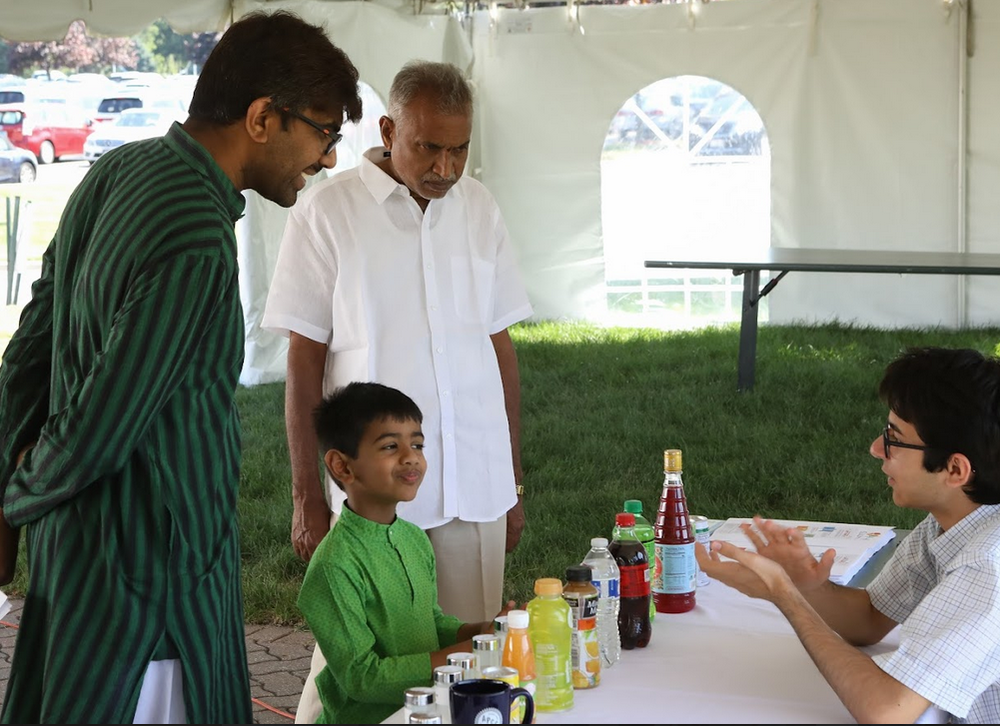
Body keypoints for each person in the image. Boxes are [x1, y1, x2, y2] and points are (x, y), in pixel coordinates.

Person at [0, 10, 362, 724]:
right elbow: (99, 431)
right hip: (148, 592)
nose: (325, 160)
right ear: (263, 117)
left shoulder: (120, 167)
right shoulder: (195, 233)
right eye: (323, 134)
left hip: (77, 566)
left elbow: (27, 357)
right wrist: (10, 502)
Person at [261, 60, 533, 722]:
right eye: (428, 147)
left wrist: (514, 482)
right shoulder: (327, 212)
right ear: (388, 129)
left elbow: (500, 346)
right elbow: (304, 362)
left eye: (459, 149)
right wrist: (306, 498)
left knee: (468, 668)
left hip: (475, 480)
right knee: (359, 669)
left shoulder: (480, 208)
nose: (444, 166)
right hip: (376, 493)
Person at [697, 346, 1000, 724]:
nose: (876, 450)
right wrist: (806, 583)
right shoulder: (954, 521)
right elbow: (869, 620)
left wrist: (785, 596)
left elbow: (887, 710)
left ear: (955, 470)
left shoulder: (987, 565)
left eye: (894, 439)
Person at [298, 381, 510, 724]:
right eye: (390, 446)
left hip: (426, 713)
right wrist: (459, 655)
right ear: (342, 466)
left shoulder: (413, 538)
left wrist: (478, 631)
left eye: (417, 444)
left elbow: (432, 621)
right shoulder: (334, 565)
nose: (411, 456)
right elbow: (361, 678)